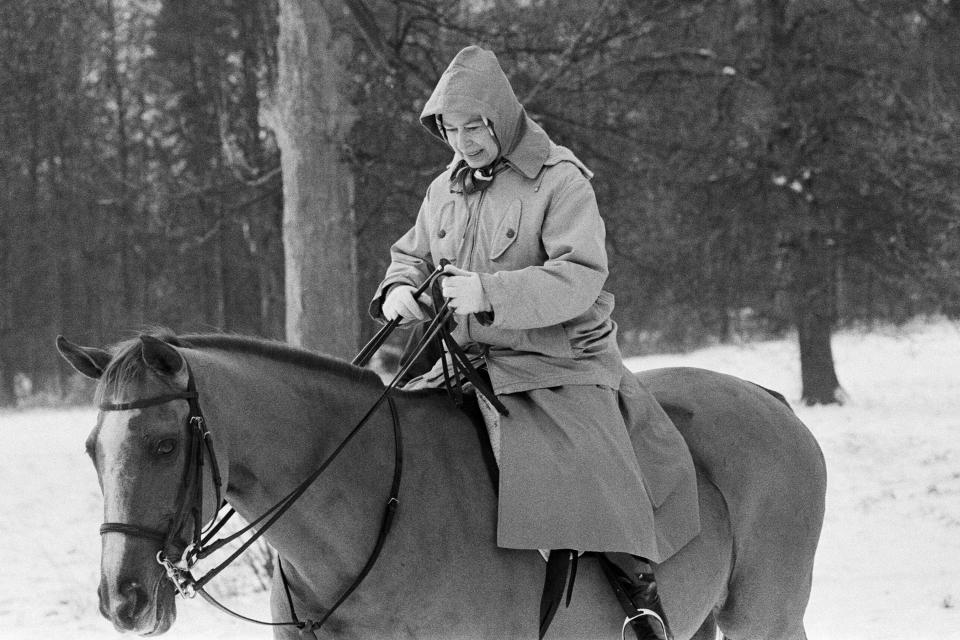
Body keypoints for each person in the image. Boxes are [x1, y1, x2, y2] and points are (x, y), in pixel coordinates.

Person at [369, 45, 698, 640]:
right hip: (464, 361)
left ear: (501, 117)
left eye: (475, 126)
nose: (463, 142)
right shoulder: (444, 189)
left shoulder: (560, 181)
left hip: (556, 361)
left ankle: (639, 600)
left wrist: (491, 293)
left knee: (587, 465)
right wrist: (399, 287)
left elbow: (580, 275)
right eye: (451, 129)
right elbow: (411, 255)